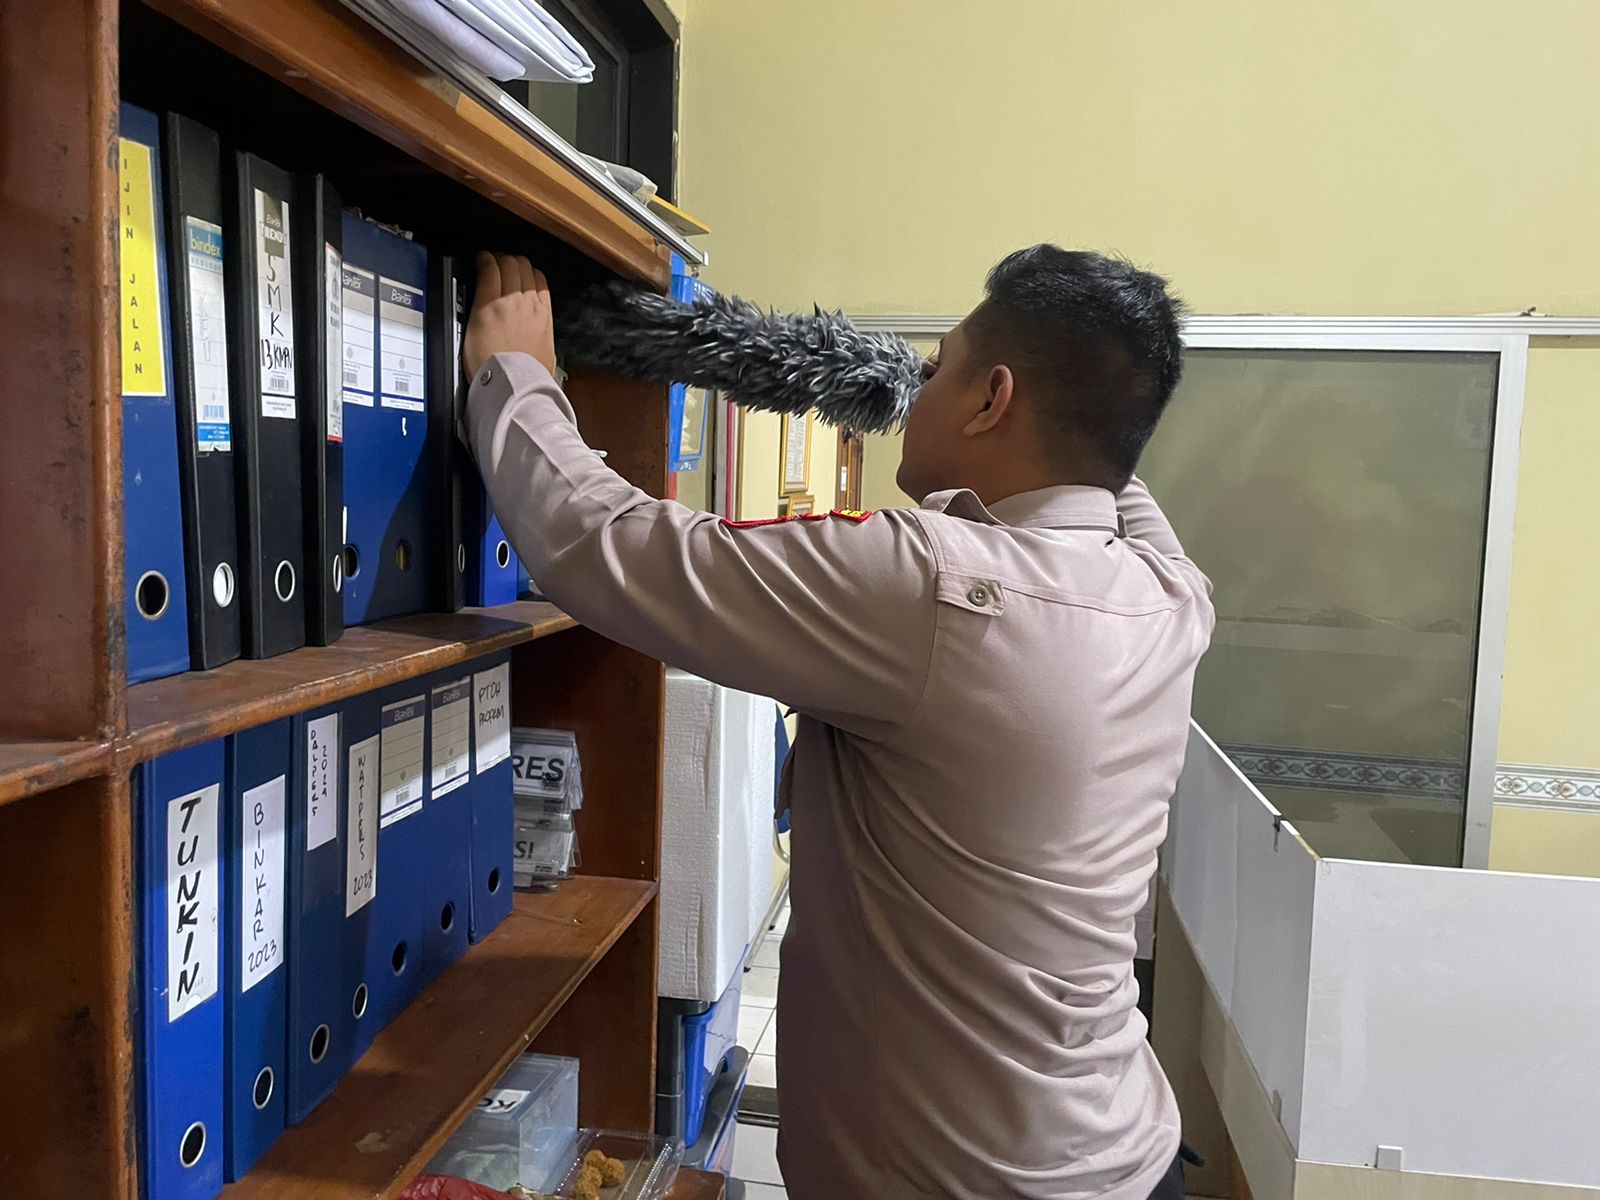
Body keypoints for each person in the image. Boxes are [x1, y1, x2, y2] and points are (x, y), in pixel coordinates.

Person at [462, 244, 1213, 1200]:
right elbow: (1109, 478)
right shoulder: (1170, 594)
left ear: (993, 400)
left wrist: (514, 374)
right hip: (1127, 1156)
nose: (916, 384)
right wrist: (1038, 394)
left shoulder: (935, 587)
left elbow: (604, 542)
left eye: (937, 367)